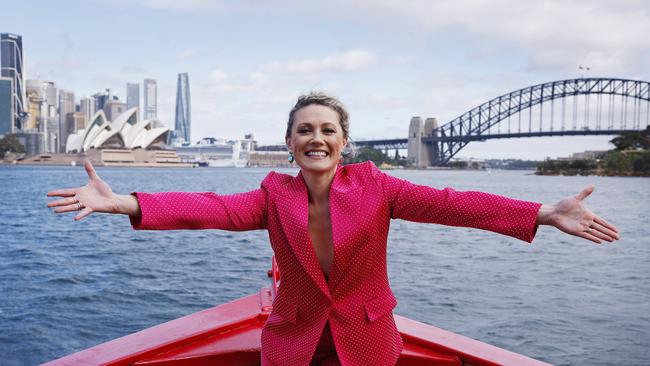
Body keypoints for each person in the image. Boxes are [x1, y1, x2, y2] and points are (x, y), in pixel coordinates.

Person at [47, 92, 619, 366]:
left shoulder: (377, 185)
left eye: (327, 129)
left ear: (343, 141)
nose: (315, 138)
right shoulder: (275, 193)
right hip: (293, 341)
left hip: (366, 340)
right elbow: (214, 209)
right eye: (303, 131)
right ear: (290, 143)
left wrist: (541, 212)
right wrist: (125, 202)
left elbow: (453, 203)